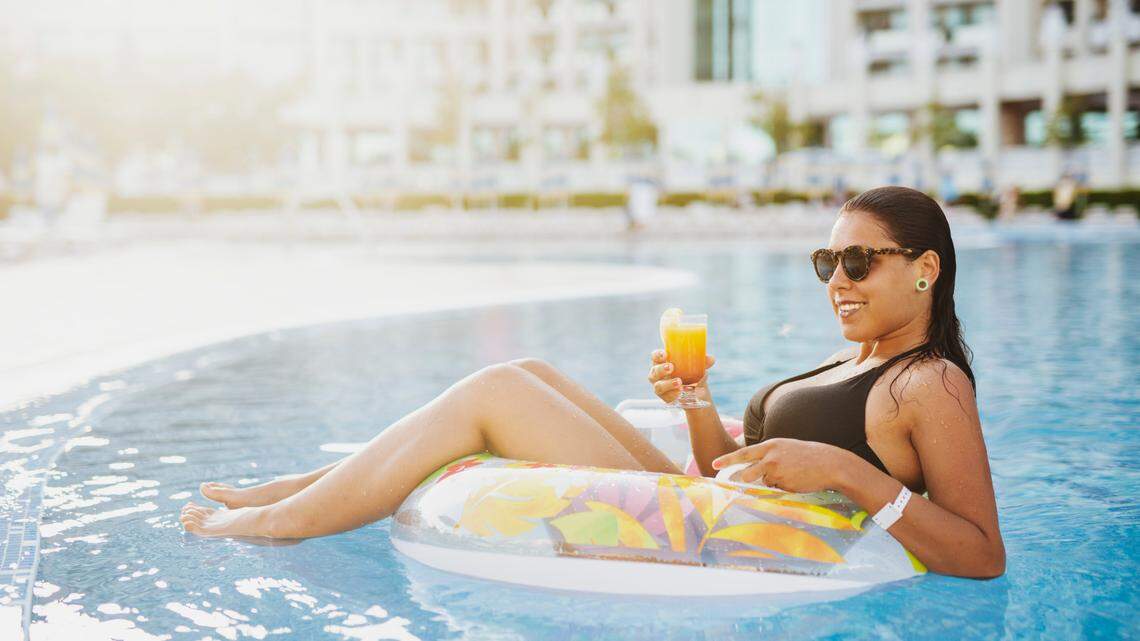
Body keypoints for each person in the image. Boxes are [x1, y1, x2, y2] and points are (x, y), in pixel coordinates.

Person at [181, 186, 1005, 579]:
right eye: (828, 262)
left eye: (859, 261)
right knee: (530, 372)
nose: (838, 280)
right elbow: (728, 463)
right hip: (715, 493)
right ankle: (306, 484)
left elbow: (982, 552)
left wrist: (849, 475)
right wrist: (697, 404)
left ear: (925, 269)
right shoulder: (854, 359)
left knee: (497, 390)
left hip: (734, 522)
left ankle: (288, 518)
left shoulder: (929, 384)